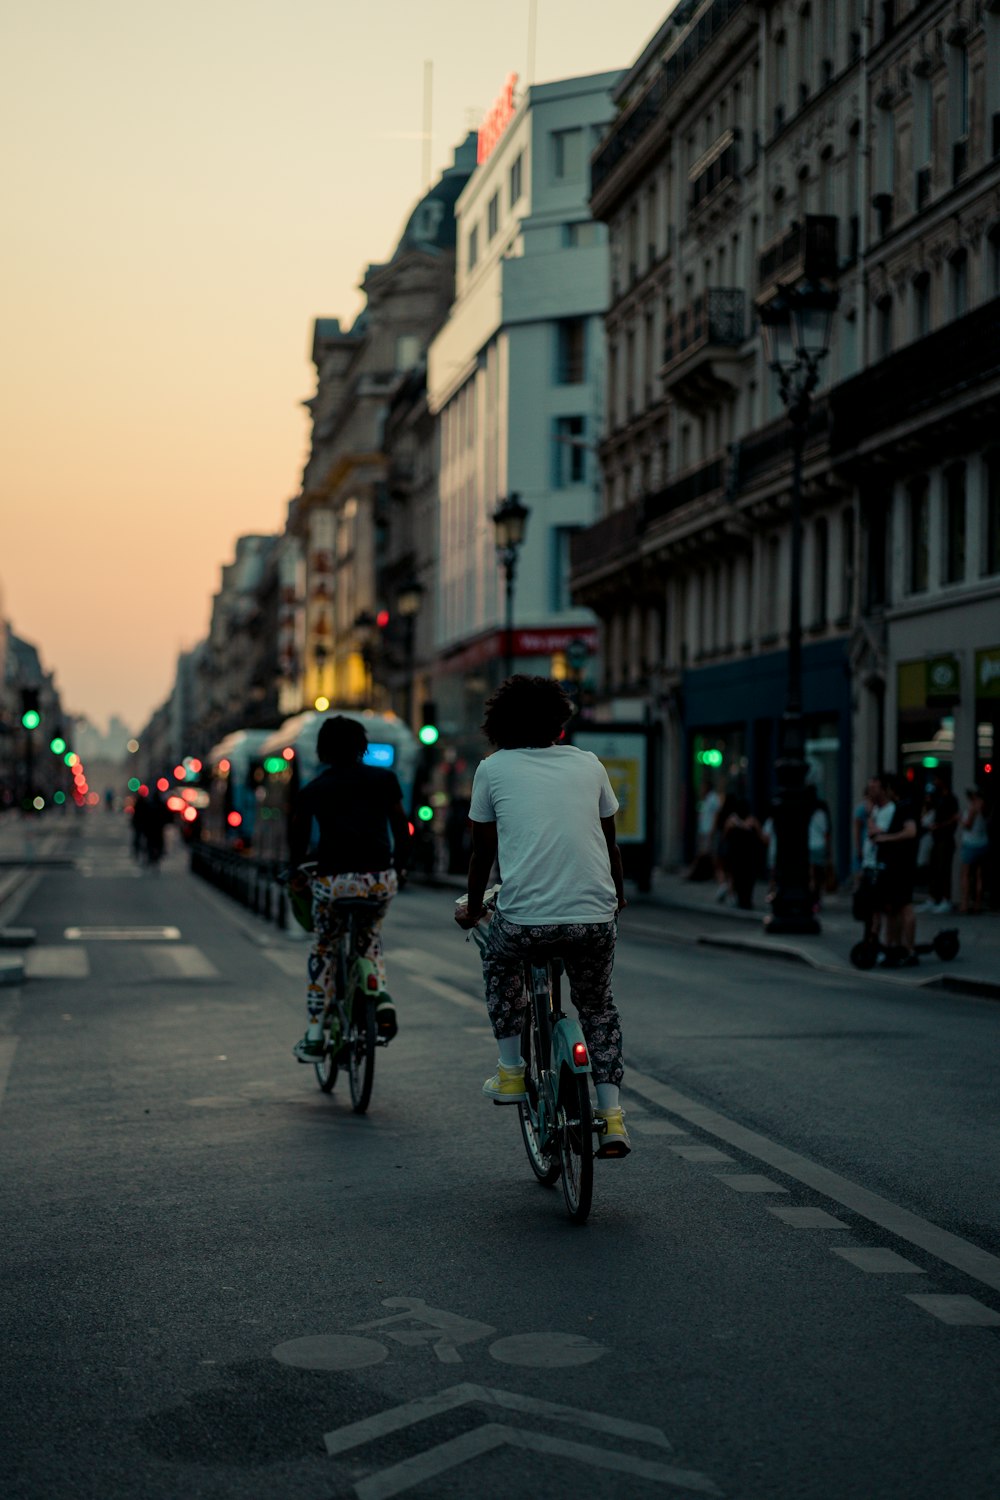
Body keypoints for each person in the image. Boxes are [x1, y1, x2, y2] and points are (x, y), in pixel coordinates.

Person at [454, 676, 630, 1157]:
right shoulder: (590, 765)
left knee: (499, 962)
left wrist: (473, 909)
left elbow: (481, 854)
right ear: (559, 720)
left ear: (500, 722)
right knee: (597, 1006)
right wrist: (618, 896)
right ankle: (612, 1118)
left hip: (526, 921)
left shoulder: (492, 769)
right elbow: (608, 841)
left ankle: (511, 1069)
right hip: (594, 918)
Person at [288, 716, 410, 1063]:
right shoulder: (384, 780)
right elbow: (401, 827)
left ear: (323, 750)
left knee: (324, 947)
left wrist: (296, 868)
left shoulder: (315, 788)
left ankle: (314, 1034)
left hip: (334, 881)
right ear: (362, 746)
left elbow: (298, 834)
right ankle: (381, 995)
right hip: (378, 879)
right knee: (369, 935)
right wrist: (400, 866)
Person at [870, 772, 919, 964]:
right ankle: (896, 946)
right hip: (896, 864)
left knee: (905, 907)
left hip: (903, 864)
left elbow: (911, 831)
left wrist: (887, 838)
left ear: (890, 789)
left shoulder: (905, 807)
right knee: (894, 908)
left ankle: (909, 949)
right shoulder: (899, 807)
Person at [924, 771, 959, 914]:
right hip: (936, 837)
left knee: (944, 869)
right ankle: (934, 898)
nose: (935, 783)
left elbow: (955, 818)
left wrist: (941, 826)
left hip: (945, 838)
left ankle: (946, 899)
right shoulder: (936, 798)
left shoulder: (951, 798)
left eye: (937, 780)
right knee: (934, 869)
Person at [722, 796, 764, 910]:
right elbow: (761, 837)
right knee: (745, 878)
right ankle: (745, 899)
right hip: (745, 855)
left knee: (741, 877)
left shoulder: (733, 821)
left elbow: (725, 837)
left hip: (741, 855)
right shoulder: (751, 821)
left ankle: (744, 899)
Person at [958, 786, 989, 915]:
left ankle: (965, 904)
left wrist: (959, 819)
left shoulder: (974, 807)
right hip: (982, 842)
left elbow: (968, 825)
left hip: (970, 843)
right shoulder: (985, 807)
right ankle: (977, 904)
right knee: (979, 875)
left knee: (966, 875)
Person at [806, 784, 832, 912]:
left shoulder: (805, 810)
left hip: (809, 844)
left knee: (811, 875)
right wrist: (828, 849)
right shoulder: (821, 812)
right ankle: (816, 900)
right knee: (818, 875)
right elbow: (826, 832)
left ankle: (811, 899)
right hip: (819, 845)